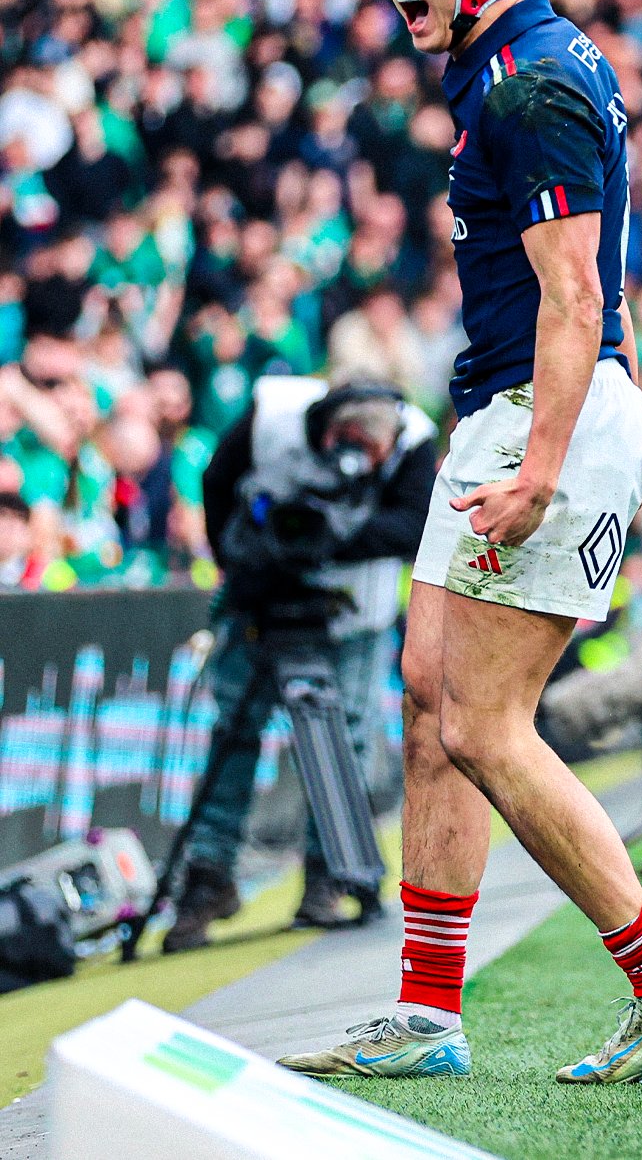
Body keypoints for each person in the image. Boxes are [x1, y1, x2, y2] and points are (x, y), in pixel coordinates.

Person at [281, 0, 642, 1086]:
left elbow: (577, 295)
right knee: (434, 704)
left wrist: (537, 468)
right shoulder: (502, 68)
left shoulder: (528, 85)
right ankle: (428, 1018)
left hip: (552, 419)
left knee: (484, 722)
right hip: (505, 412)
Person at [162, 378, 433, 953]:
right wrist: (239, 560)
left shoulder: (413, 441)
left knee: (349, 738)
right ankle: (208, 879)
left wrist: (331, 536)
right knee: (234, 731)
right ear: (334, 431)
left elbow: (414, 524)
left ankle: (329, 875)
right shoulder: (272, 415)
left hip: (356, 606)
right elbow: (216, 482)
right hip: (266, 597)